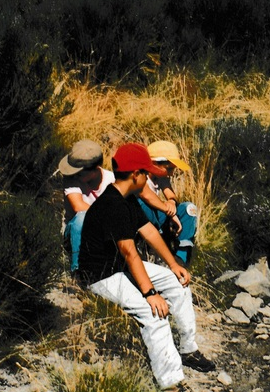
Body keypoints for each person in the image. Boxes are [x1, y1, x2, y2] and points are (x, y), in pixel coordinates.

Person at [77, 143, 215, 391]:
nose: (150, 175)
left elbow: (149, 231)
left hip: (120, 266)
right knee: (155, 316)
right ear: (136, 175)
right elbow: (129, 252)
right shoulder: (113, 204)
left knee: (177, 282)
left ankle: (188, 348)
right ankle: (170, 382)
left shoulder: (126, 197)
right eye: (147, 171)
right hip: (101, 275)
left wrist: (174, 264)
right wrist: (150, 294)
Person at [137, 141, 197, 266]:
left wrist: (171, 203)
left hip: (158, 214)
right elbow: (146, 195)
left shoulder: (161, 177)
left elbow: (171, 195)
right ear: (153, 163)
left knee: (189, 209)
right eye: (168, 168)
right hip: (144, 218)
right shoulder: (140, 175)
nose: (171, 173)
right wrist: (168, 211)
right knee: (141, 204)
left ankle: (181, 256)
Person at [59, 139, 115, 272]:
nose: (74, 175)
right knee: (82, 217)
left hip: (102, 233)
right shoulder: (71, 180)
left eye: (79, 173)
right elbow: (78, 207)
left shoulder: (112, 180)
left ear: (95, 170)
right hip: (75, 231)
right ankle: (78, 270)